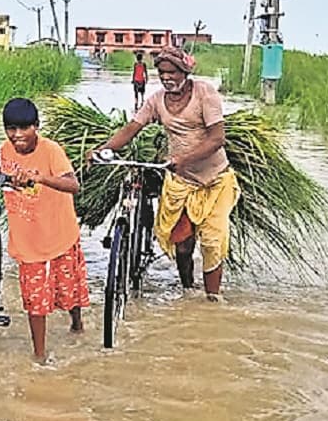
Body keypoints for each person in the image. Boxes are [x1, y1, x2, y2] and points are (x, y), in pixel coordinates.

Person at [88, 46, 240, 302]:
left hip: (215, 180)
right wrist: (102, 150)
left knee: (213, 242)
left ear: (185, 72)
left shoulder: (205, 93)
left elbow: (217, 139)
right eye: (162, 73)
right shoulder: (157, 100)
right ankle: (188, 290)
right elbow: (132, 128)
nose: (167, 78)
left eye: (173, 72)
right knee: (182, 242)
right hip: (181, 181)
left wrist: (183, 159)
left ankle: (213, 299)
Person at [0, 98, 88, 364]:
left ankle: (77, 324)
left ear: (36, 126)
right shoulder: (6, 149)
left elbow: (73, 185)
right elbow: (2, 171)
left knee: (69, 289)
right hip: (28, 239)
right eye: (11, 129)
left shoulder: (51, 151)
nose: (17, 135)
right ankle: (39, 357)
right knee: (35, 301)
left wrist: (41, 178)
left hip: (58, 233)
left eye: (24, 128)